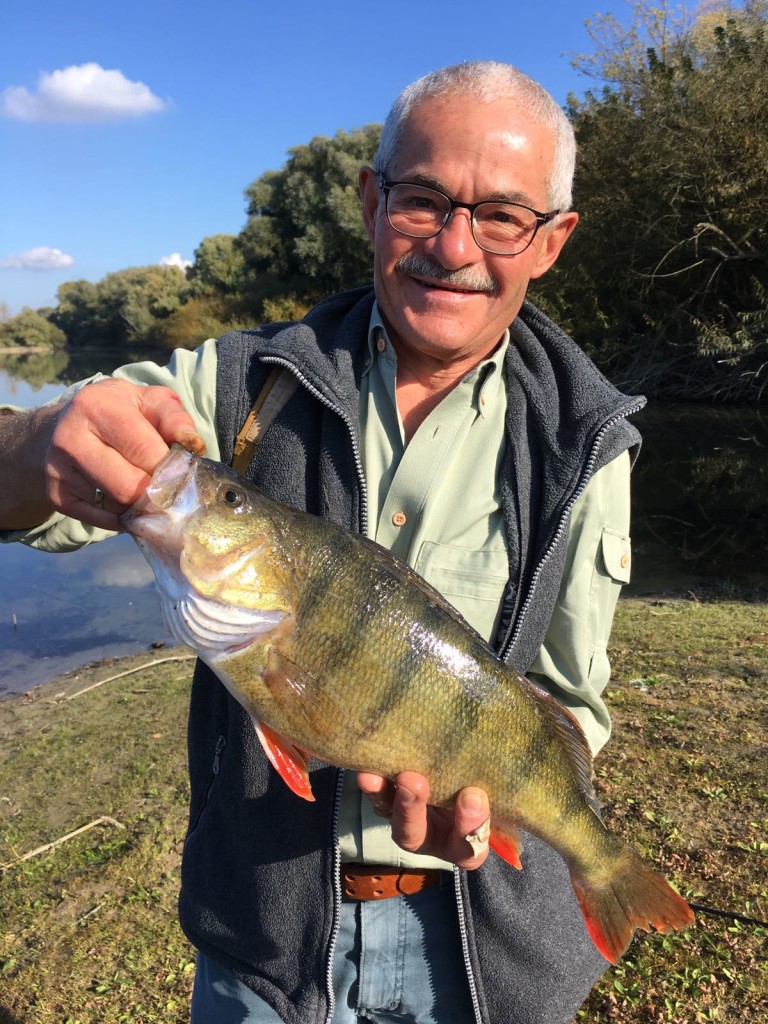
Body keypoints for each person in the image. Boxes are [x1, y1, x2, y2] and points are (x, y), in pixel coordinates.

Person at [0, 61, 645, 1024]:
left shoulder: (587, 443)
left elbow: (567, 704)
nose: (455, 245)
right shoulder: (234, 385)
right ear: (370, 199)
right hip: (262, 942)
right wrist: (31, 441)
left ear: (551, 242)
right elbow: (44, 477)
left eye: (503, 215)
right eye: (422, 200)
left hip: (483, 958)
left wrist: (495, 818)